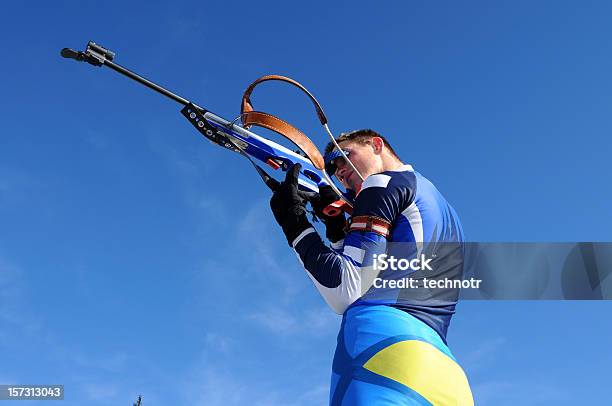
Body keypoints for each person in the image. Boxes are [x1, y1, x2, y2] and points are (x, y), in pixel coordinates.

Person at [270, 129, 474, 405]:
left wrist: (294, 223)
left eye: (344, 157)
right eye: (333, 167)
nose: (339, 171)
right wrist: (337, 230)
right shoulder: (443, 209)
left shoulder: (380, 184)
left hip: (382, 355)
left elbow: (346, 288)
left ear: (376, 145)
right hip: (445, 373)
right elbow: (390, 271)